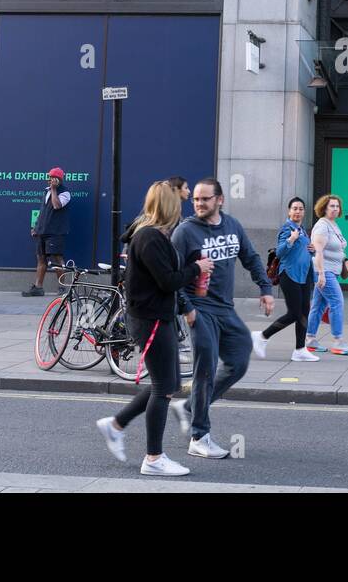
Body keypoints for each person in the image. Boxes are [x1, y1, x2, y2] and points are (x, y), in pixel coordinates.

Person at [96, 181, 210, 475]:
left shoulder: (158, 235)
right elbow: (168, 281)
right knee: (164, 388)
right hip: (150, 320)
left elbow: (169, 271)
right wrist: (197, 270)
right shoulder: (148, 237)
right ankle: (154, 459)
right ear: (169, 205)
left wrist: (191, 261)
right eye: (178, 201)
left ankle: (116, 424)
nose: (183, 205)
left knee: (168, 383)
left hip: (161, 316)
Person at [171, 178, 275, 459]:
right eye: (195, 199)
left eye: (205, 199)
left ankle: (191, 407)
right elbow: (173, 276)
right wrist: (187, 309)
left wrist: (265, 289)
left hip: (226, 310)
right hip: (200, 310)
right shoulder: (185, 232)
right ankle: (199, 436)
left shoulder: (232, 226)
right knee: (204, 370)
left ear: (220, 200)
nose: (199, 203)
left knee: (239, 361)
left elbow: (251, 258)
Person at [254, 197, 318, 362]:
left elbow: (303, 253)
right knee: (294, 313)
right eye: (294, 208)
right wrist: (291, 239)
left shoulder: (302, 229)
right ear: (289, 211)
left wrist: (312, 250)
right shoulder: (287, 229)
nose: (298, 211)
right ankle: (262, 336)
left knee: (304, 313)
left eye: (300, 209)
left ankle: (300, 349)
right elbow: (280, 252)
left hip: (304, 277)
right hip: (289, 275)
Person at [305, 194, 348, 357]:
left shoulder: (333, 224)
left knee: (318, 306)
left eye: (337, 206)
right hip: (324, 271)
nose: (335, 209)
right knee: (337, 302)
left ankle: (310, 340)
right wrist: (321, 274)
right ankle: (338, 341)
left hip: (332, 271)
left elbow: (337, 248)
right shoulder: (322, 226)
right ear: (324, 208)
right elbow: (318, 251)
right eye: (331, 206)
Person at [23, 167, 70, 297]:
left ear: (58, 179)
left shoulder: (65, 193)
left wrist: (54, 189)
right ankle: (38, 288)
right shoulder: (46, 191)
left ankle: (62, 287)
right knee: (41, 258)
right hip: (42, 231)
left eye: (51, 178)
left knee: (56, 258)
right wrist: (36, 227)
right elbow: (43, 211)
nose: (49, 180)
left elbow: (56, 205)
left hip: (56, 231)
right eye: (48, 178)